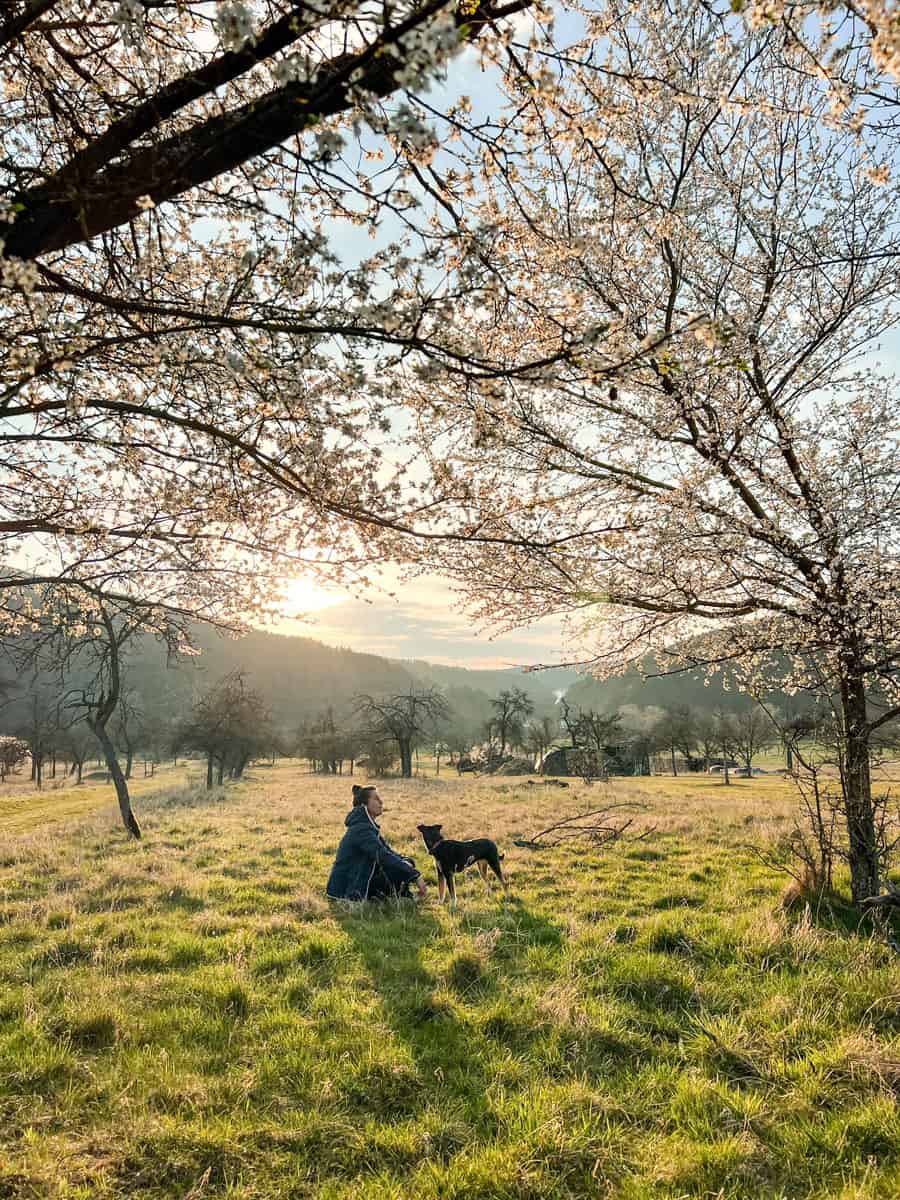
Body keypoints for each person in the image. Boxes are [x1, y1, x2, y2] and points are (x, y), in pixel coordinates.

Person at [326, 784, 427, 902]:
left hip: (358, 880)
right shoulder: (362, 830)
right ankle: (403, 897)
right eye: (376, 799)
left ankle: (403, 896)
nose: (381, 802)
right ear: (364, 805)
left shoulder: (367, 827)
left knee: (406, 863)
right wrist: (415, 876)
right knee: (397, 868)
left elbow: (388, 852)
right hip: (345, 890)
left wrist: (407, 865)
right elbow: (382, 856)